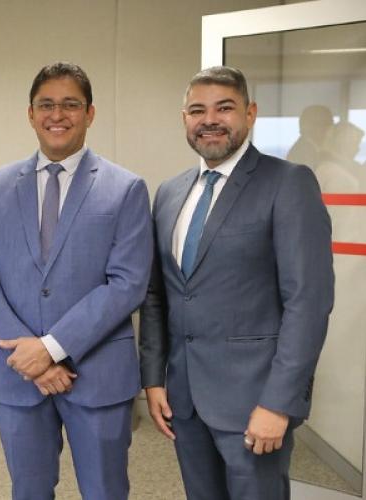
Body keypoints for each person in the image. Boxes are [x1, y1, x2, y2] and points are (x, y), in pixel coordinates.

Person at [139, 66, 334, 500]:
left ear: (250, 113)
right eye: (197, 110)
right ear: (185, 119)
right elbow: (157, 296)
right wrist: (153, 380)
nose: (209, 119)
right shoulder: (169, 192)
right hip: (185, 401)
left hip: (255, 402)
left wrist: (278, 403)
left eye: (224, 108)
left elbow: (308, 303)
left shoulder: (288, 183)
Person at [0, 62, 153, 499]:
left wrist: (51, 348)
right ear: (30, 114)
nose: (57, 115)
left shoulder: (125, 189)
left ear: (90, 113)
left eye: (71, 104)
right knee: (28, 491)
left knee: (105, 491)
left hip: (98, 373)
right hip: (18, 375)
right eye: (46, 104)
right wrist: (28, 354)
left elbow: (127, 283)